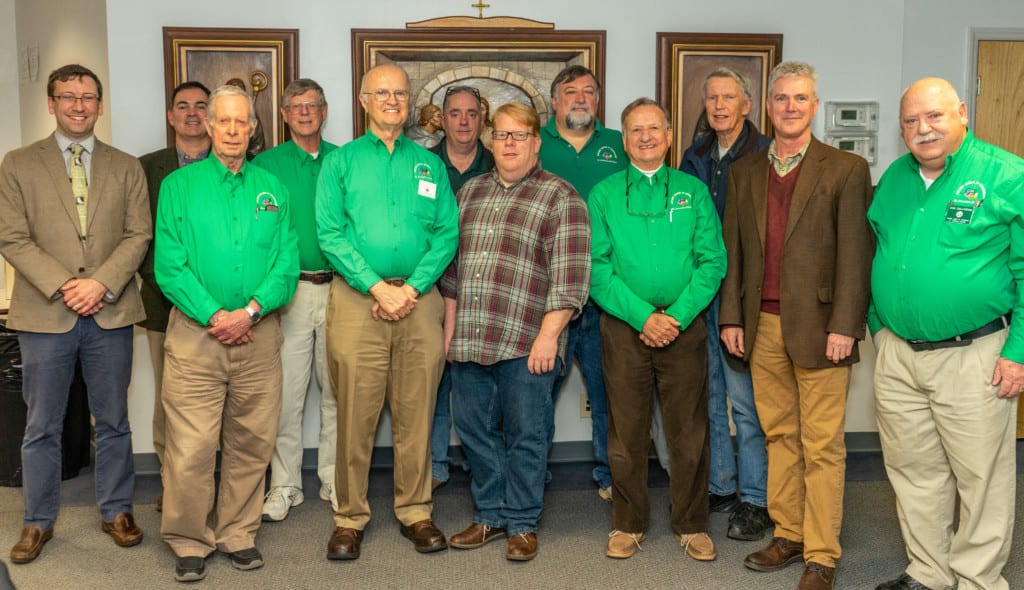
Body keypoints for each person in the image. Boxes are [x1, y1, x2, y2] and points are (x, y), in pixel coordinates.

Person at [719, 61, 872, 590]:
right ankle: (789, 533)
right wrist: (732, 317)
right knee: (778, 434)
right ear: (768, 105)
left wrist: (846, 325)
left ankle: (822, 554)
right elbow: (733, 254)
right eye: (781, 98)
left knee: (823, 444)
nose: (789, 107)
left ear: (815, 105)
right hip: (761, 325)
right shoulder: (745, 172)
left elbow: (856, 254)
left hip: (823, 326)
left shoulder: (846, 169)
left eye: (800, 98)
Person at [869, 78, 1024, 590]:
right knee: (913, 472)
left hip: (976, 354)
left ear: (961, 112)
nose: (922, 129)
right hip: (898, 355)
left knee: (981, 479)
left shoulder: (1006, 176)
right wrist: (878, 326)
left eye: (934, 116)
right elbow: (878, 250)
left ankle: (978, 580)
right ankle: (928, 573)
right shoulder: (894, 178)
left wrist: (1018, 351)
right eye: (911, 121)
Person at [0, 64, 150, 564]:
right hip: (45, 314)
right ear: (52, 104)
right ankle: (37, 522)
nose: (79, 105)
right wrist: (68, 285)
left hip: (109, 311)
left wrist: (100, 284)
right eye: (68, 97)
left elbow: (138, 235)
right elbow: (12, 237)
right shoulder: (18, 164)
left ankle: (117, 511)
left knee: (114, 422)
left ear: (100, 105)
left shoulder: (126, 166)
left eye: (88, 97)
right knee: (42, 424)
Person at [155, 84, 298, 582]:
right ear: (209, 126)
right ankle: (190, 538)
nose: (234, 131)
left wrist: (252, 311)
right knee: (192, 446)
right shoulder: (179, 186)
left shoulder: (271, 188)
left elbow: (287, 261)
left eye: (243, 122)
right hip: (198, 337)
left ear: (254, 128)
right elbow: (170, 267)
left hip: (259, 336)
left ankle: (238, 532)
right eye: (225, 122)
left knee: (251, 441)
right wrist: (217, 315)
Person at [318, 64, 457, 561]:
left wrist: (412, 287)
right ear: (363, 99)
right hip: (359, 302)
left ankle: (416, 512)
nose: (393, 100)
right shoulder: (341, 163)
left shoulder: (429, 164)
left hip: (419, 304)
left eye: (401, 93)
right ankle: (349, 517)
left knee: (417, 413)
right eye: (383, 92)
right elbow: (330, 234)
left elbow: (446, 233)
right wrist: (378, 287)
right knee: (355, 414)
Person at [442, 102, 591, 562]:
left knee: (527, 433)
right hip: (471, 336)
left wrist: (549, 337)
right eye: (502, 135)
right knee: (474, 431)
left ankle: (522, 522)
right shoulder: (469, 194)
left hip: (528, 341)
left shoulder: (560, 196)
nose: (509, 143)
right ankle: (490, 514)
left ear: (535, 142)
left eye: (518, 135)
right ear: (491, 141)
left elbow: (570, 279)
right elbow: (452, 273)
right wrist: (449, 334)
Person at [590, 97, 726, 561]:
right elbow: (596, 267)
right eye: (635, 130)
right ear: (623, 140)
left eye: (654, 129)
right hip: (625, 327)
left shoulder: (694, 190)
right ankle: (628, 524)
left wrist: (676, 317)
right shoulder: (604, 194)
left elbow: (713, 262)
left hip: (683, 327)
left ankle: (692, 524)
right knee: (626, 433)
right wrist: (642, 317)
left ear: (670, 136)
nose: (645, 137)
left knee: (689, 432)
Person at [679, 67, 772, 539]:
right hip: (700, 294)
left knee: (746, 402)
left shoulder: (764, 154)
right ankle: (721, 484)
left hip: (742, 295)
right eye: (712, 97)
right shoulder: (693, 156)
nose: (718, 106)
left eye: (728, 97)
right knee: (709, 396)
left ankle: (756, 498)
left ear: (747, 105)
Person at [252, 79, 339, 522]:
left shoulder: (345, 160)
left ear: (325, 111)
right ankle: (285, 484)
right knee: (286, 395)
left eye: (312, 105)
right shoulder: (264, 166)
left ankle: (333, 478)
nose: (304, 112)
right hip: (290, 293)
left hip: (343, 290)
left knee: (338, 391)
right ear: (283, 114)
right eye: (296, 106)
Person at [538, 65, 625, 500]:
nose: (579, 98)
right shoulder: (535, 144)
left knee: (608, 389)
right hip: (547, 294)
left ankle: (611, 474)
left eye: (588, 91)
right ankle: (532, 473)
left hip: (606, 293)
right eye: (570, 92)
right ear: (553, 102)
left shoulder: (619, 145)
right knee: (537, 391)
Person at [137, 80, 211, 512]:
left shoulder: (240, 165)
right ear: (171, 116)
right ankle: (171, 481)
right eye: (182, 106)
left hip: (226, 309)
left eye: (201, 106)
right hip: (165, 306)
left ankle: (210, 481)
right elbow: (141, 238)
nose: (191, 113)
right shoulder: (146, 168)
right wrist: (175, 288)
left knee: (224, 399)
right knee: (171, 401)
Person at [427, 85, 494, 490]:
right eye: (455, 113)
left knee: (480, 385)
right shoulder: (423, 164)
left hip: (485, 289)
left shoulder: (498, 163)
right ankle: (434, 466)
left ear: (482, 119)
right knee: (435, 381)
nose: (464, 121)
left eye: (472, 113)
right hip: (432, 287)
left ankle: (482, 463)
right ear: (442, 119)